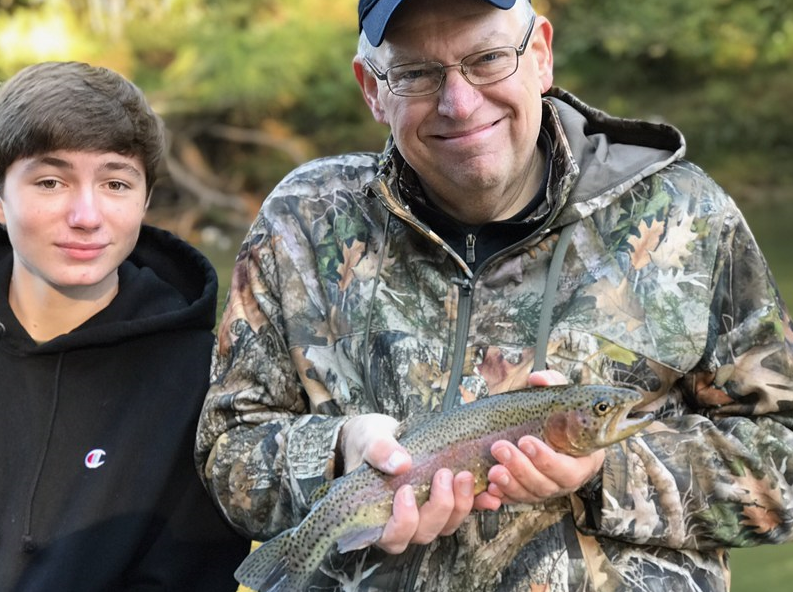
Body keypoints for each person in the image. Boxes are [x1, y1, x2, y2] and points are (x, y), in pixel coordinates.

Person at [195, 0, 793, 590]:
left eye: (488, 59)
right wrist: (339, 454)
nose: (459, 102)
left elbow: (783, 461)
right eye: (415, 74)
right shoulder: (303, 222)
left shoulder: (687, 218)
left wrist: (604, 470)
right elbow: (225, 449)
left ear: (540, 56)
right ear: (372, 90)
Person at [0, 61, 249, 591]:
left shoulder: (199, 380)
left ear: (146, 200)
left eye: (115, 182)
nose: (87, 215)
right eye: (50, 181)